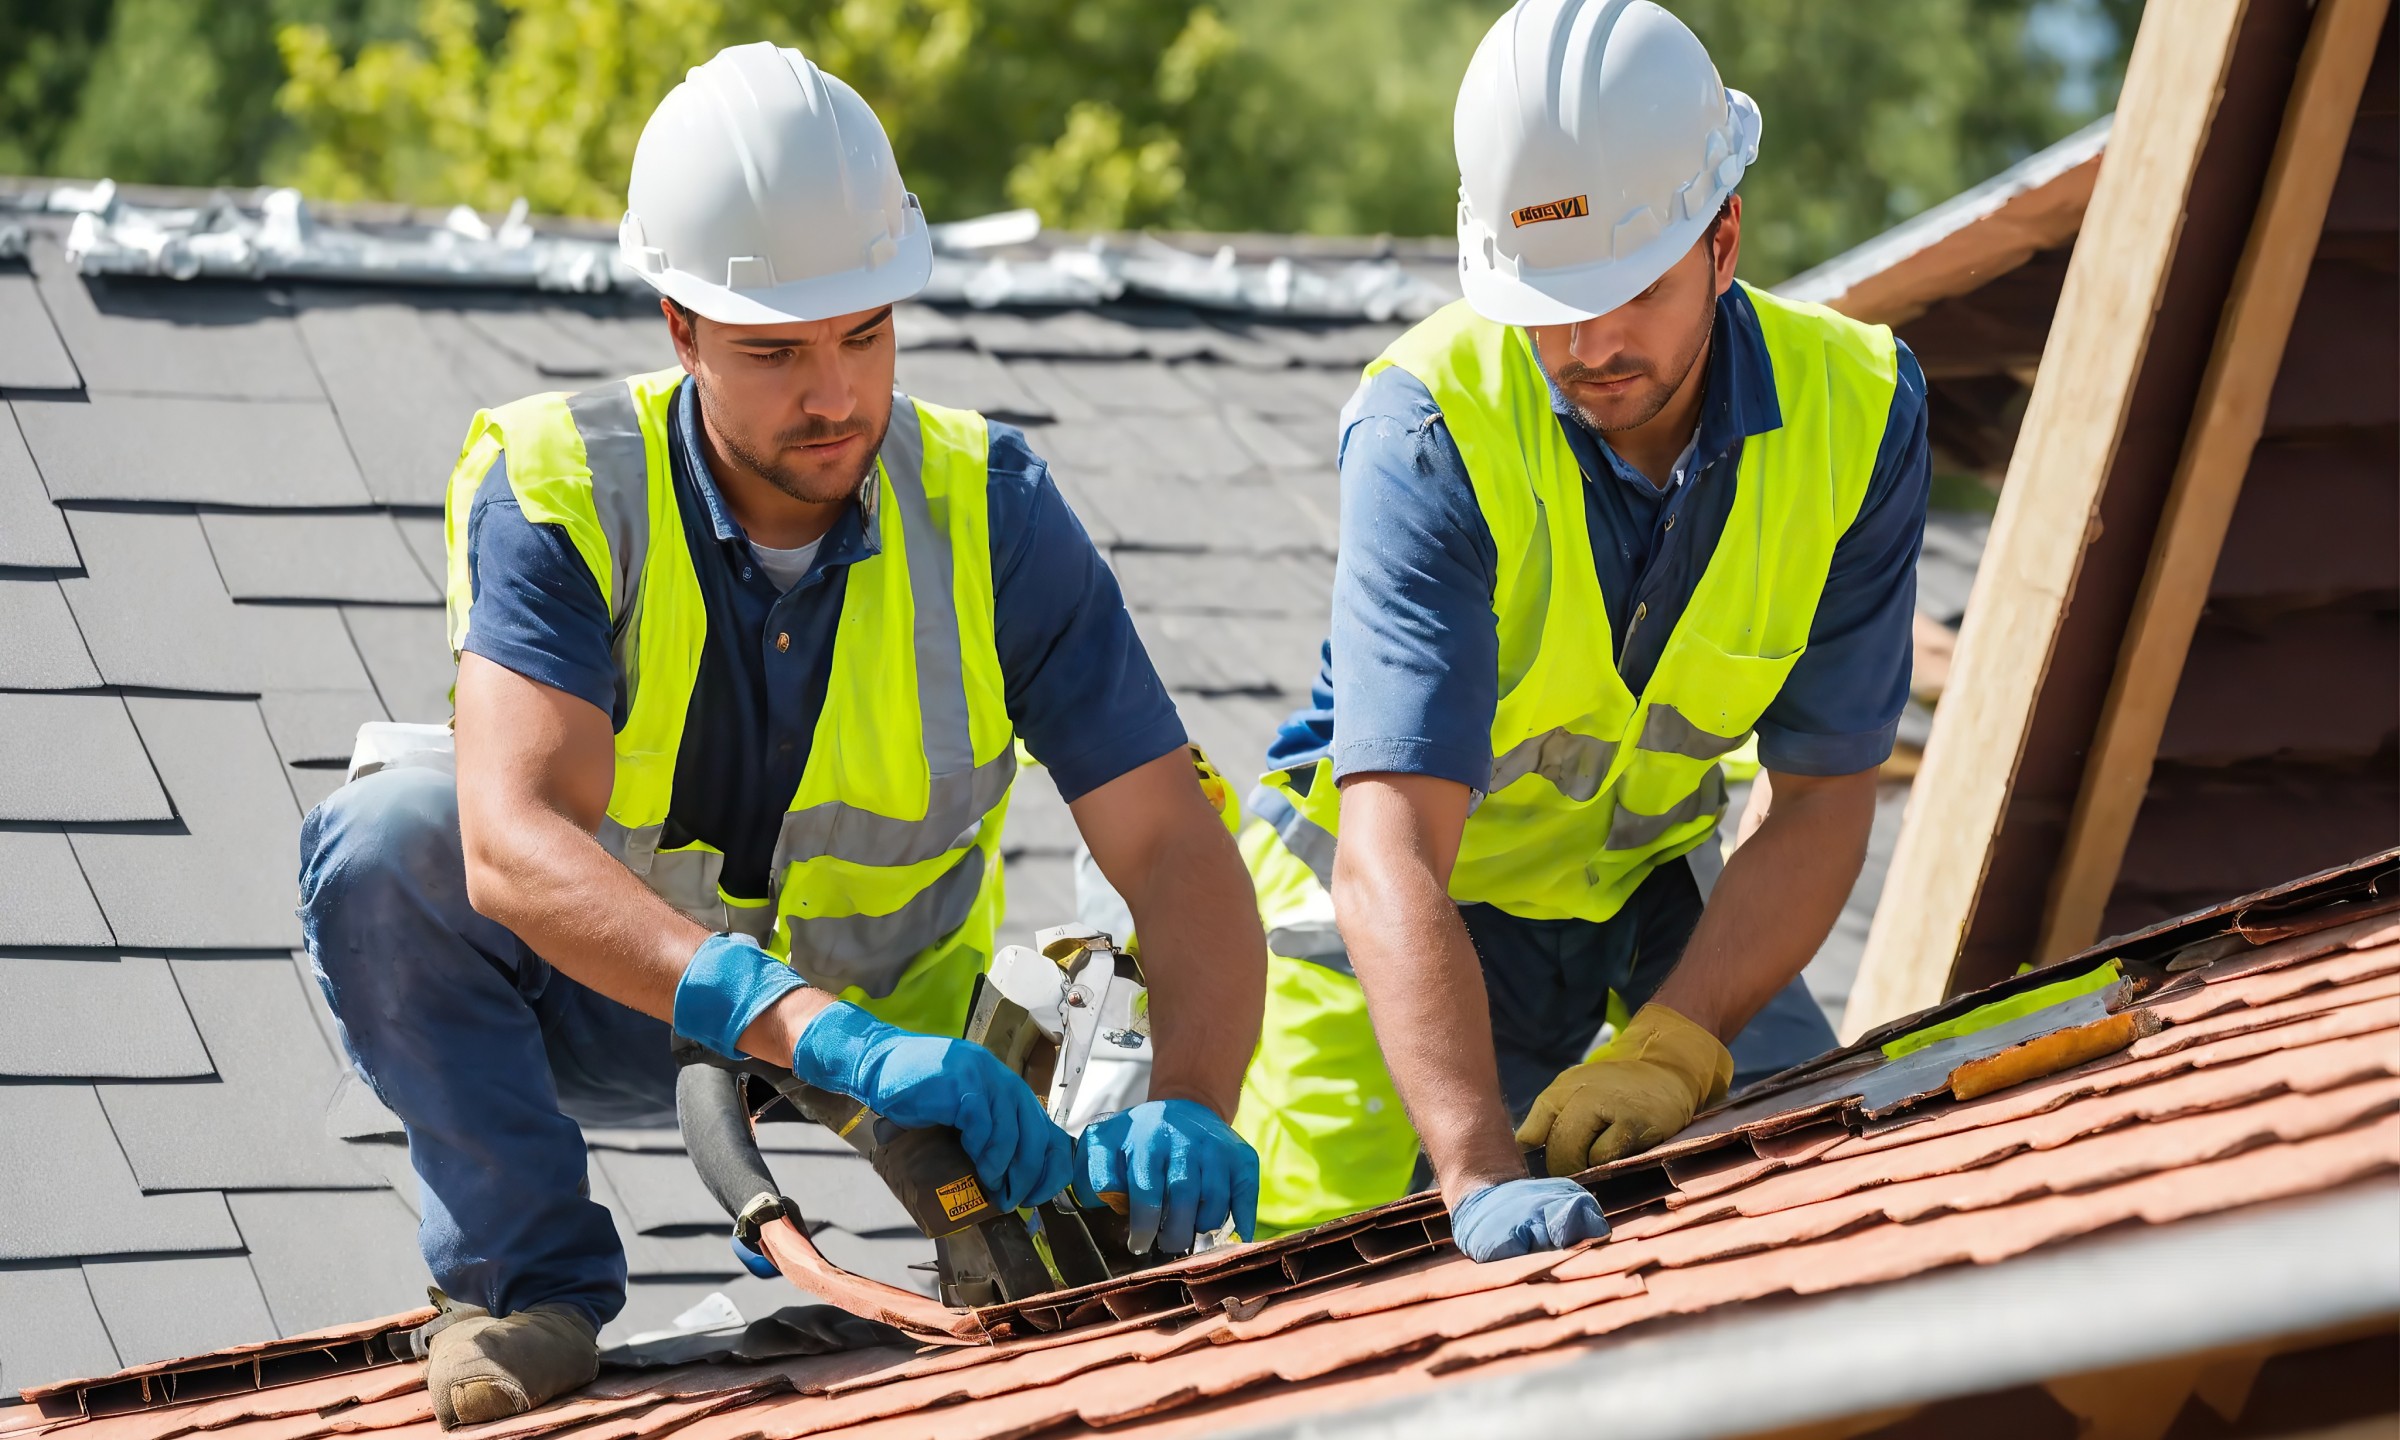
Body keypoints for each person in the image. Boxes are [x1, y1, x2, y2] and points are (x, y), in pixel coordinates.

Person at [298, 43, 1266, 1427]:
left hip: (917, 1049)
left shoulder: (991, 509)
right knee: (391, 843)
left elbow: (1172, 845)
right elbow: (510, 849)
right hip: (621, 999)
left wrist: (1195, 1097)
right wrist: (809, 1034)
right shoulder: (560, 486)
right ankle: (525, 1288)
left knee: (1086, 1316)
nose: (835, 395)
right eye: (776, 350)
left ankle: (1019, 1258)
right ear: (680, 326)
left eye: (864, 333)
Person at [1233, 0, 1931, 1264]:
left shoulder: (1862, 412)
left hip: (1636, 905)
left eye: (1630, 291)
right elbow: (1389, 853)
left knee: (1827, 1198)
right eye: (1547, 300)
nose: (1590, 343)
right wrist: (1478, 1169)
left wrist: (1674, 1042)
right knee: (1308, 1306)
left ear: (1725, 240)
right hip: (1385, 935)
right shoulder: (1428, 432)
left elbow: (1825, 799)